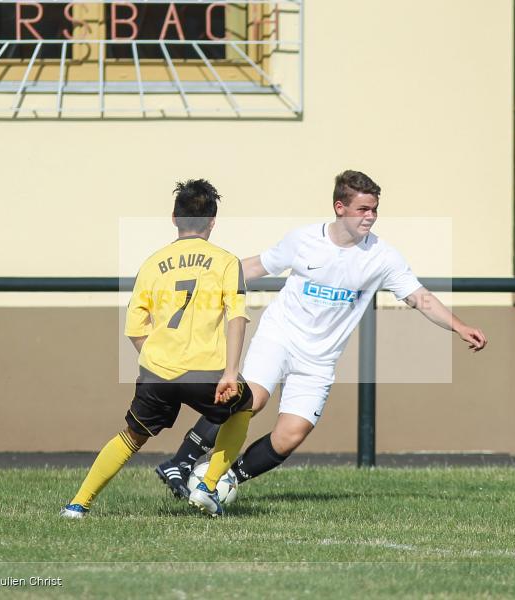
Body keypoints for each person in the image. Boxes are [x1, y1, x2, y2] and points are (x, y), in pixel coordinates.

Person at [155, 170, 488, 497]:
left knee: (291, 435)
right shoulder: (304, 240)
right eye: (363, 209)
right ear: (339, 208)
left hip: (320, 358)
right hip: (280, 336)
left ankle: (227, 481)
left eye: (374, 209)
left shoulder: (383, 257)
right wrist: (205, 278)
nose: (370, 216)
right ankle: (180, 462)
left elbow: (420, 297)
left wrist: (459, 326)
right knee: (250, 400)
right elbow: (258, 265)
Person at [61, 179, 253, 518]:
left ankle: (78, 504)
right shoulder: (226, 261)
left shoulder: (152, 263)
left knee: (133, 435)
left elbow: (135, 329)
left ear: (174, 219)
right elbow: (237, 317)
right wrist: (230, 372)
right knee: (244, 404)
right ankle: (208, 487)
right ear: (212, 222)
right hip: (206, 370)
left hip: (157, 371)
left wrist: (157, 361)